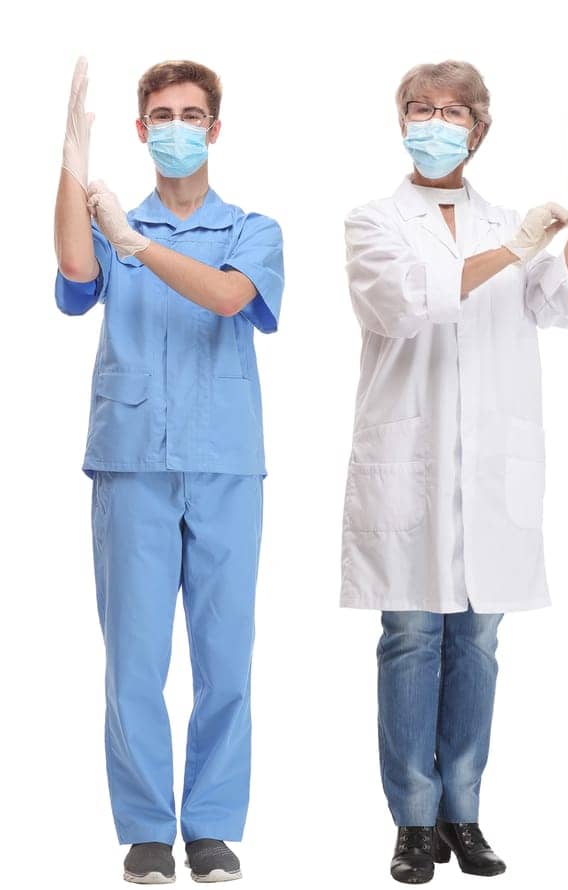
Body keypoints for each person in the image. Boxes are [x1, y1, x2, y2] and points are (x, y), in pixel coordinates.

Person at [338, 60, 568, 885]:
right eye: (419, 108)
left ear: (479, 129)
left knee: (480, 645)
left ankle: (464, 811)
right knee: (412, 639)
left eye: (451, 111)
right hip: (410, 467)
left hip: (492, 472)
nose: (433, 121)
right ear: (400, 123)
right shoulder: (373, 222)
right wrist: (518, 245)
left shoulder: (504, 219)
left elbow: (563, 301)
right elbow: (404, 303)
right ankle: (413, 822)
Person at [53, 57, 284, 884]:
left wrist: (133, 241)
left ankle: (213, 825)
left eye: (192, 115)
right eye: (161, 115)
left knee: (226, 657)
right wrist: (71, 165)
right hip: (132, 462)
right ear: (141, 129)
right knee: (135, 660)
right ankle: (149, 826)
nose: (176, 128)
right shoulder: (108, 223)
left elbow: (227, 299)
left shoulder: (251, 229)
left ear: (215, 130)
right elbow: (79, 274)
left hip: (224, 462)